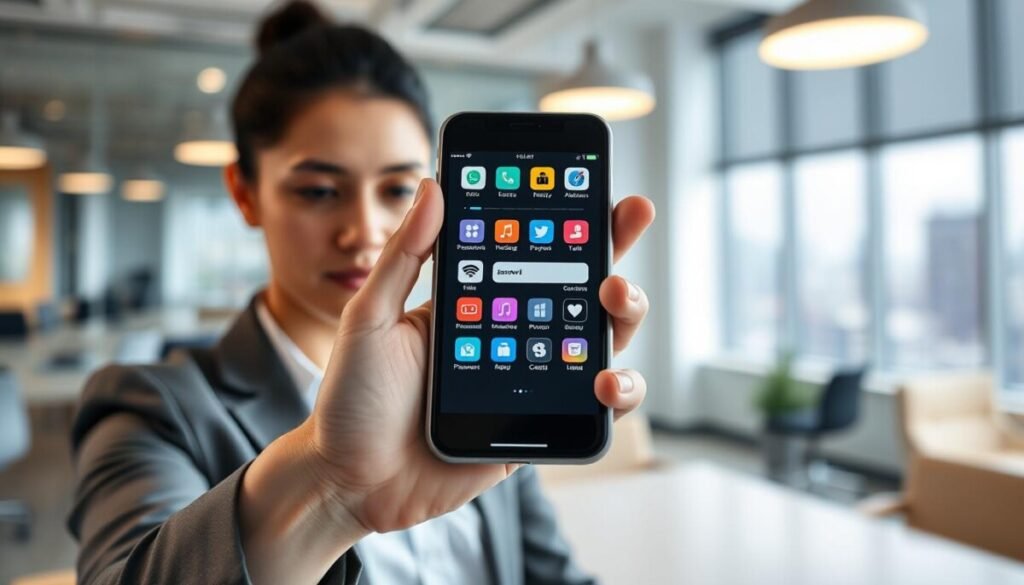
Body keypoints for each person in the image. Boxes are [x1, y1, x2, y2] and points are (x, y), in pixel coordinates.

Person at [67, 2, 655, 584]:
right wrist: (327, 490)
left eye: (399, 188)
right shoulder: (151, 410)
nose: (364, 231)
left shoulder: (470, 387)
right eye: (320, 191)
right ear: (245, 194)